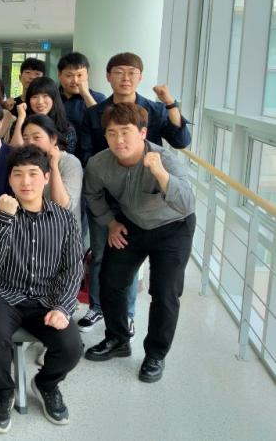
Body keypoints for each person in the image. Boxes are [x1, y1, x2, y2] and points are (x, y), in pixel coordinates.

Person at [76, 52, 191, 335]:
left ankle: (126, 315)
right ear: (108, 76)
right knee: (102, 257)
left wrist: (170, 103)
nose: (125, 78)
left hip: (144, 199)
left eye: (131, 73)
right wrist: (108, 174)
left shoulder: (155, 110)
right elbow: (87, 153)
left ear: (140, 77)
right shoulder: (95, 113)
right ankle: (98, 308)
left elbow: (181, 140)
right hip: (107, 195)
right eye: (118, 72)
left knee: (131, 269)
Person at [83, 104, 195, 383]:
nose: (118, 140)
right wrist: (110, 223)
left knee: (165, 291)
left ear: (143, 133)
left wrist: (161, 174)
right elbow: (92, 195)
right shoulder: (99, 163)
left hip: (173, 228)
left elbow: (187, 203)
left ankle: (156, 354)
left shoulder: (165, 159)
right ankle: (118, 339)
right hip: (131, 224)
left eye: (126, 132)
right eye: (111, 133)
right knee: (110, 280)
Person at [0, 146, 83, 433]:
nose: (26, 182)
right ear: (9, 179)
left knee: (72, 346)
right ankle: (3, 390)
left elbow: (73, 268)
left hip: (46, 298)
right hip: (4, 292)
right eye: (18, 174)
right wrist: (5, 219)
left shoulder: (64, 219)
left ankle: (46, 384)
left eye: (33, 174)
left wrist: (63, 307)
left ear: (46, 177)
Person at [20, 114, 82, 229]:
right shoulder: (25, 163)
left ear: (53, 139)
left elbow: (62, 206)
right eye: (25, 138)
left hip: (65, 231)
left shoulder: (70, 163)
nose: (30, 143)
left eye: (36, 137)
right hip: (34, 231)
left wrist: (54, 166)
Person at [11, 77, 77, 155]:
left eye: (45, 96)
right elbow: (14, 152)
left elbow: (67, 158)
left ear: (54, 98)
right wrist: (21, 117)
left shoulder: (66, 128)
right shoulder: (20, 123)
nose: (40, 102)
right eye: (35, 97)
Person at [56, 52, 106, 133]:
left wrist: (86, 95)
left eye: (80, 75)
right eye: (69, 76)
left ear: (87, 75)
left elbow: (102, 127)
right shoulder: (51, 97)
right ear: (59, 75)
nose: (75, 81)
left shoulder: (98, 98)